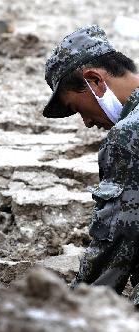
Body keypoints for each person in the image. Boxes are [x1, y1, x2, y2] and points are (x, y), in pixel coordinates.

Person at [42, 25, 139, 305]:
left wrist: (72, 310)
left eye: (75, 108)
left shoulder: (127, 136)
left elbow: (116, 245)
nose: (86, 122)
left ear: (95, 80)